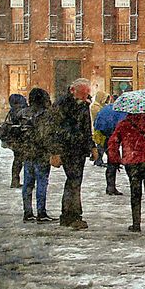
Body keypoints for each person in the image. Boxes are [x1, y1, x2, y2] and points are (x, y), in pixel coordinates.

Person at [108, 110, 145, 233]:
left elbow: (113, 142)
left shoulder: (123, 124)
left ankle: (136, 224)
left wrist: (116, 159)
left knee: (135, 193)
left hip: (132, 161)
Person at [49, 78, 97, 229]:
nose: (85, 97)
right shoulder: (61, 104)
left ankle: (69, 215)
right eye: (83, 94)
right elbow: (54, 130)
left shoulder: (83, 104)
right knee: (74, 181)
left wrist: (92, 146)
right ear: (72, 90)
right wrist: (55, 151)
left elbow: (86, 127)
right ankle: (73, 215)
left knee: (74, 181)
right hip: (67, 149)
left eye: (87, 94)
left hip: (79, 150)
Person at [17, 88, 55, 222]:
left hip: (27, 152)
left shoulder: (22, 113)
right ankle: (41, 212)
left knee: (28, 183)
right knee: (42, 182)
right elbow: (47, 135)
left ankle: (27, 212)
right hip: (41, 153)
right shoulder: (45, 115)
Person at [0, 93, 28, 188]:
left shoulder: (12, 110)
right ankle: (18, 181)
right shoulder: (21, 111)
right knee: (22, 160)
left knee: (18, 160)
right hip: (21, 139)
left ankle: (15, 180)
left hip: (15, 139)